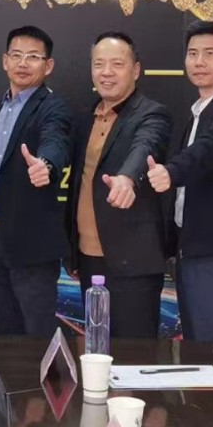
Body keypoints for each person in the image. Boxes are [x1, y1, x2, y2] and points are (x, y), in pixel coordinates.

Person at [147, 21, 213, 347]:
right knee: (197, 347)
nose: (199, 62)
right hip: (190, 246)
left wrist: (171, 172)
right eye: (192, 54)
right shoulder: (198, 112)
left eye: (209, 54)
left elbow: (210, 149)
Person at [0, 26, 73, 338]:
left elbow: (56, 140)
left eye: (33, 57)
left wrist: (46, 165)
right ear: (5, 61)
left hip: (31, 244)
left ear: (48, 66)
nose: (23, 63)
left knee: (37, 336)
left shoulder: (53, 108)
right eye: (17, 55)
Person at [65, 32, 172, 339]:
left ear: (136, 70)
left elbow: (145, 146)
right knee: (97, 348)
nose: (107, 72)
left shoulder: (152, 114)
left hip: (132, 262)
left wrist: (127, 177)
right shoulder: (85, 118)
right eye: (99, 64)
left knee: (133, 354)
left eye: (117, 64)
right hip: (88, 258)